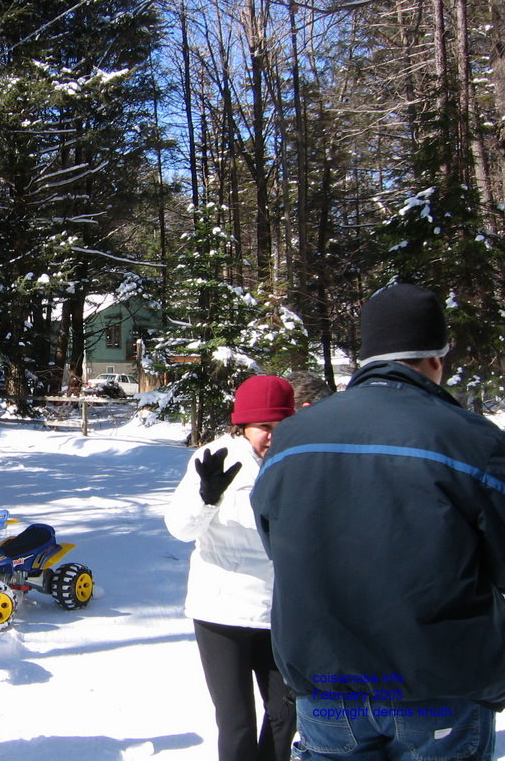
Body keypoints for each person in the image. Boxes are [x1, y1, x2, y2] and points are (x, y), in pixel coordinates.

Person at [251, 283, 505, 761]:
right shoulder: (471, 439)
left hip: (326, 677)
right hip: (437, 680)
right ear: (436, 358)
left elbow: (275, 540)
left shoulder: (293, 437)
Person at [165, 375, 297, 761]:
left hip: (279, 610)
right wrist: (207, 498)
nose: (272, 436)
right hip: (222, 611)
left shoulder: (297, 460)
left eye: (281, 426)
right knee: (236, 720)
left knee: (285, 714)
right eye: (264, 427)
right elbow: (179, 528)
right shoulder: (215, 459)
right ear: (242, 425)